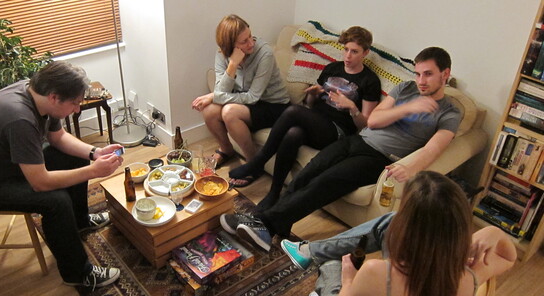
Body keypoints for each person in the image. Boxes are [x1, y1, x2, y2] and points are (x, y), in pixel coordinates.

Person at [220, 46, 461, 252]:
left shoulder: (450, 112)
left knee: (325, 182)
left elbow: (434, 149)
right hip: (357, 140)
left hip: (380, 157)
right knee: (308, 173)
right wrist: (409, 108)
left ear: (445, 74)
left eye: (428, 74)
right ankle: (275, 225)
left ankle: (264, 226)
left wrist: (410, 167)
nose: (421, 80)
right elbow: (374, 120)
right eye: (418, 73)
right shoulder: (406, 89)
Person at [0, 61, 124, 289]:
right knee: (56, 201)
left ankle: (80, 221)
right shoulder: (20, 119)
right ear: (54, 97)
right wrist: (93, 171)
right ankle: (78, 274)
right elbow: (40, 183)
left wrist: (95, 153)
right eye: (75, 103)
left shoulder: (37, 93)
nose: (78, 109)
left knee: (78, 156)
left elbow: (58, 137)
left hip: (6, 165)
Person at [281, 171, 517, 296]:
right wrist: (494, 231)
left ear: (407, 224)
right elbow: (509, 257)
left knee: (332, 265)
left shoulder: (377, 274)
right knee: (384, 226)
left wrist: (350, 279)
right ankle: (320, 289)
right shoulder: (470, 278)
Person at [226, 26, 381, 207]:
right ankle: (274, 193)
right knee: (293, 134)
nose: (347, 56)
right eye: (346, 49)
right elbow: (310, 105)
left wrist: (352, 107)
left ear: (366, 53)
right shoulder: (332, 68)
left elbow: (365, 125)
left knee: (293, 111)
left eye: (354, 52)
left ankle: (258, 162)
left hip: (337, 131)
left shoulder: (369, 81)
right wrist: (313, 95)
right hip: (316, 122)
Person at [191, 14, 290, 165]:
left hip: (274, 106)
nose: (251, 43)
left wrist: (213, 96)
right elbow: (220, 90)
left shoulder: (265, 54)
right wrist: (232, 65)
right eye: (244, 41)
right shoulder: (221, 54)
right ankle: (226, 150)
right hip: (247, 102)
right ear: (230, 45)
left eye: (250, 36)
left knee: (229, 112)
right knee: (209, 110)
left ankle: (253, 163)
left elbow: (252, 97)